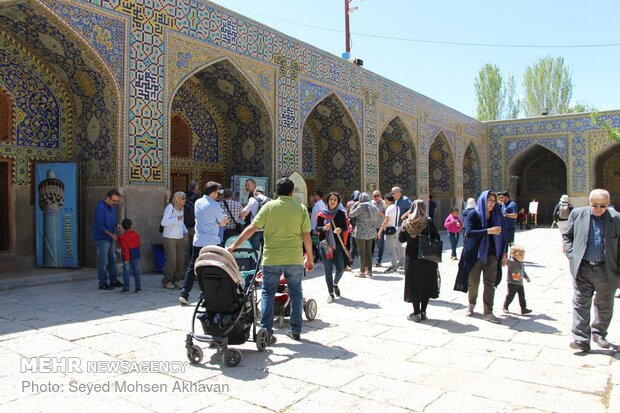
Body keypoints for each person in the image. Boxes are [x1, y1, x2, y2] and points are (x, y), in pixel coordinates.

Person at [228, 177, 314, 342]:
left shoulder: (269, 207)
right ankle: (295, 330)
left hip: (272, 258)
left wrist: (234, 245)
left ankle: (266, 331)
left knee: (268, 292)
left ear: (276, 192)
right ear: (291, 192)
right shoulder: (301, 208)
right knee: (296, 294)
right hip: (294, 258)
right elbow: (306, 237)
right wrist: (309, 259)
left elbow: (252, 227)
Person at [562, 188, 620, 352]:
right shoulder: (578, 214)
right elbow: (567, 235)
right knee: (580, 303)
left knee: (604, 305)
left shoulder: (616, 219)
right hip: (583, 267)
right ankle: (581, 338)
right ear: (589, 202)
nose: (599, 209)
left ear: (608, 204)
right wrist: (572, 255)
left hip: (606, 270)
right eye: (595, 205)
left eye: (603, 206)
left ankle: (599, 333)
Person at [454, 190, 508, 324]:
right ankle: (471, 304)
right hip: (475, 254)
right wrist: (487, 231)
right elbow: (469, 232)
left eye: (494, 201)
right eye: (489, 201)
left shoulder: (497, 215)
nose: (492, 203)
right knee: (473, 282)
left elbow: (504, 235)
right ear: (483, 201)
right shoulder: (474, 214)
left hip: (492, 254)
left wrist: (504, 253)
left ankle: (488, 311)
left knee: (489, 283)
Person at [179, 182, 228, 305]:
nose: (218, 194)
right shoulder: (215, 205)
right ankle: (209, 294)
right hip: (211, 241)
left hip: (199, 240)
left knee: (193, 266)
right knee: (214, 267)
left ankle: (184, 293)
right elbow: (222, 223)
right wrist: (223, 220)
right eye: (217, 192)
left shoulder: (198, 202)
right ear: (213, 192)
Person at [398, 199, 441, 322]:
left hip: (412, 258)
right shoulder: (428, 221)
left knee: (415, 284)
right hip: (427, 257)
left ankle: (415, 312)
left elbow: (401, 239)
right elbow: (437, 237)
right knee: (426, 284)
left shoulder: (407, 223)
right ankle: (423, 312)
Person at [316, 192, 348, 303]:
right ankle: (330, 293)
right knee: (328, 269)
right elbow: (317, 228)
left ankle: (335, 284)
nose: (332, 201)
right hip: (325, 245)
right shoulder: (322, 214)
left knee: (341, 268)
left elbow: (345, 227)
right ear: (327, 201)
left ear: (338, 202)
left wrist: (340, 229)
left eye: (335, 200)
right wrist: (324, 228)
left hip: (337, 245)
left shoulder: (340, 214)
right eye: (331, 199)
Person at [93, 188, 123, 290]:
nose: (115, 203)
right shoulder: (100, 207)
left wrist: (116, 225)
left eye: (117, 201)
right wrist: (111, 235)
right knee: (103, 261)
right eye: (114, 201)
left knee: (112, 259)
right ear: (108, 198)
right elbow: (99, 225)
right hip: (102, 238)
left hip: (110, 237)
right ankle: (103, 283)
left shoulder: (112, 207)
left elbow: (112, 219)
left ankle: (113, 280)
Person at [161, 191, 187, 289]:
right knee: (172, 260)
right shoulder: (170, 207)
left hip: (179, 236)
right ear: (177, 199)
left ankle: (176, 280)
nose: (184, 200)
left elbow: (182, 221)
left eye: (185, 199)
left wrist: (185, 231)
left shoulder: (181, 208)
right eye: (183, 198)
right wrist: (176, 219)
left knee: (181, 259)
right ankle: (167, 281)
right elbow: (163, 222)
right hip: (170, 237)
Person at [349, 192, 379, 278]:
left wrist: (354, 205)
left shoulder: (361, 206)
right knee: (369, 252)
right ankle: (369, 271)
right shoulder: (373, 206)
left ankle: (362, 272)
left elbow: (351, 214)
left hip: (361, 233)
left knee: (362, 252)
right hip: (371, 232)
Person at [502, 244, 532, 315]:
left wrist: (526, 277)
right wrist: (504, 258)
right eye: (521, 255)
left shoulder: (521, 263)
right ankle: (505, 306)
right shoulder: (511, 261)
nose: (523, 257)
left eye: (523, 255)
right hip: (512, 283)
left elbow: (523, 272)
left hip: (520, 283)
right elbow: (505, 262)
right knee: (510, 295)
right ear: (515, 255)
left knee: (522, 296)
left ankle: (523, 308)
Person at [378, 194, 402, 273]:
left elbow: (386, 221)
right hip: (396, 229)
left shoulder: (389, 209)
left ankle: (393, 266)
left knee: (391, 249)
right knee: (394, 248)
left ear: (387, 200)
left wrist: (380, 230)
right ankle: (395, 264)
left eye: (385, 200)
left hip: (390, 230)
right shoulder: (397, 207)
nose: (384, 202)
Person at [241, 186, 270, 251]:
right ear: (263, 193)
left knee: (254, 251)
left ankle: (255, 260)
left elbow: (244, 213)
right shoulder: (270, 200)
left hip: (255, 230)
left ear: (255, 193)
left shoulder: (253, 200)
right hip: (267, 231)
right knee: (265, 251)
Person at [118, 218, 142, 294]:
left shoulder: (122, 237)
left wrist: (126, 259)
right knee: (136, 271)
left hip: (127, 256)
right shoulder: (135, 234)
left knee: (126, 272)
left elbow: (125, 249)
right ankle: (138, 288)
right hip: (136, 254)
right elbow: (138, 244)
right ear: (131, 225)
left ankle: (126, 288)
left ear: (123, 226)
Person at [392, 186, 412, 267]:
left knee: (402, 244)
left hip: (403, 226)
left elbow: (413, 208)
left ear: (399, 193)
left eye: (393, 193)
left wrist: (405, 214)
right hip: (397, 225)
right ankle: (401, 260)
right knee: (398, 244)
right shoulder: (396, 201)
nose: (392, 195)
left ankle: (404, 261)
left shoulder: (405, 200)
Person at [184, 180, 200, 261]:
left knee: (184, 249)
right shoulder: (198, 198)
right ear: (196, 188)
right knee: (194, 248)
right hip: (194, 227)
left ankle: (183, 269)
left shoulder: (183, 196)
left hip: (182, 226)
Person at [371, 190, 386, 267]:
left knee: (380, 245)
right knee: (370, 245)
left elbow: (386, 217)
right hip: (371, 228)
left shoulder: (384, 204)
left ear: (380, 195)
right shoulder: (370, 203)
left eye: (377, 195)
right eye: (374, 196)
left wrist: (379, 212)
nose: (376, 197)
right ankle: (369, 261)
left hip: (380, 227)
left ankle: (378, 261)